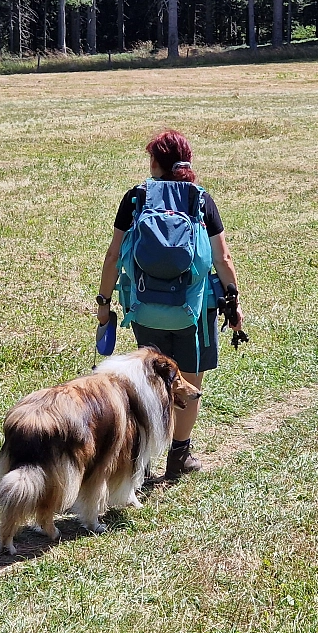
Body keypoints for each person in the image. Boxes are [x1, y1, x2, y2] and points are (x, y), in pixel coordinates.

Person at [96, 129, 244, 479]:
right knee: (190, 382)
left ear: (155, 162)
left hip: (146, 306)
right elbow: (222, 258)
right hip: (195, 312)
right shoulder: (200, 199)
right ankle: (179, 456)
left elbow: (114, 255)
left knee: (149, 384)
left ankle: (141, 462)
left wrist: (104, 304)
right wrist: (233, 301)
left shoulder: (136, 198)